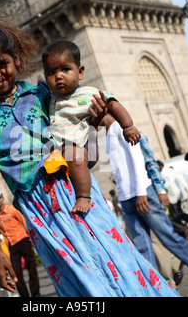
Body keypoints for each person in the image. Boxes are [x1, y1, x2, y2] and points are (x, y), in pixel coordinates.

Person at [0, 17, 179, 297]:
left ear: (15, 59)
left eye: (2, 64)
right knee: (80, 283)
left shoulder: (43, 94)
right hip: (40, 212)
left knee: (116, 261)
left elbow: (87, 154)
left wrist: (95, 126)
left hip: (79, 193)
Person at [102, 114, 188, 297]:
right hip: (126, 199)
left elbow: (149, 163)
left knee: (168, 239)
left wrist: (159, 191)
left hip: (143, 194)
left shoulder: (130, 131)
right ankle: (155, 292)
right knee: (142, 249)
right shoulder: (107, 137)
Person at [42, 40, 140, 213]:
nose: (58, 76)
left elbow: (112, 104)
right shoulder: (50, 97)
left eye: (65, 69)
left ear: (80, 72)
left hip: (83, 144)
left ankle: (84, 196)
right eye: (51, 72)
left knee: (75, 157)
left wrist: (128, 126)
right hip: (60, 147)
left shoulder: (88, 94)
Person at [0, 190, 40, 297]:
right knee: (16, 273)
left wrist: (31, 239)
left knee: (32, 269)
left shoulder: (11, 209)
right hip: (11, 246)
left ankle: (35, 294)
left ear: (2, 199)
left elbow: (23, 221)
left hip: (23, 240)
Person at [157, 160, 188, 236]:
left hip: (171, 197)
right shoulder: (170, 170)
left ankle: (183, 231)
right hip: (178, 194)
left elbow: (166, 186)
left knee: (175, 216)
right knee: (180, 213)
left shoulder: (162, 174)